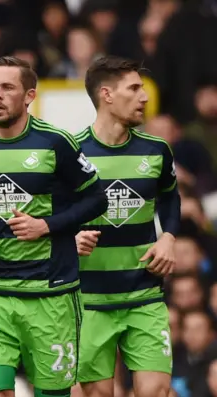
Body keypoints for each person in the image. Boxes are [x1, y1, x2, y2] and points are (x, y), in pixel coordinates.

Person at [0, 56, 108, 397]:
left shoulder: (56, 143)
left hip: (50, 291)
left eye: (7, 88)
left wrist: (46, 226)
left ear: (29, 95)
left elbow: (97, 199)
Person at [75, 56, 180, 397]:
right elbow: (49, 215)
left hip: (144, 295)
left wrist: (168, 236)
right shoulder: (71, 152)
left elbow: (169, 197)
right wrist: (68, 237)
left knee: (156, 392)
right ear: (106, 94)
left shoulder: (157, 151)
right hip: (88, 299)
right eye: (134, 89)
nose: (144, 97)